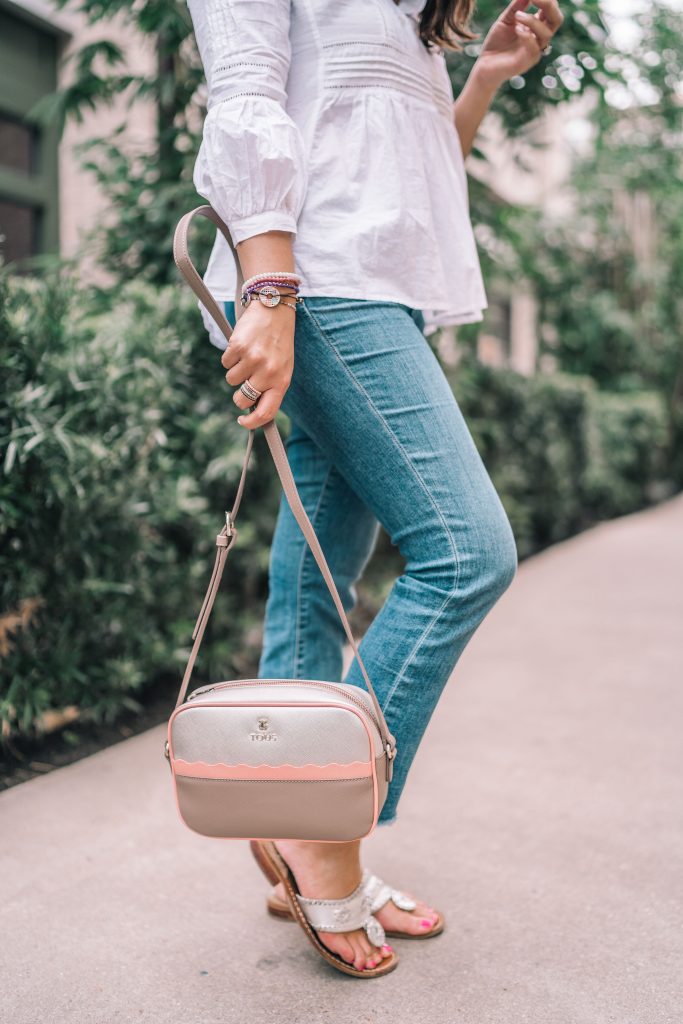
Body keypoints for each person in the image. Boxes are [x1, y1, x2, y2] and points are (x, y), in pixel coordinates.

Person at [186, 0, 563, 978]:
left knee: (320, 578)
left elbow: (408, 176)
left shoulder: (406, 17)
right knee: (465, 551)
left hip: (372, 293)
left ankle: (286, 833)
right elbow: (244, 90)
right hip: (319, 285)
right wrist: (266, 291)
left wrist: (482, 74)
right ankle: (323, 834)